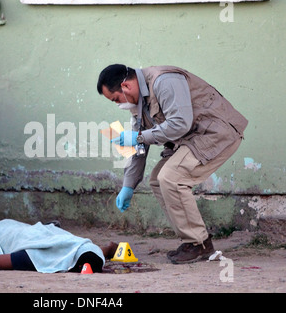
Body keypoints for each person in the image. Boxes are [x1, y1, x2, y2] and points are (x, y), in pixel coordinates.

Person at [97, 64, 248, 264]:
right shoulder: (139, 103)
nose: (118, 105)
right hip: (192, 139)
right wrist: (128, 184)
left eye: (116, 99)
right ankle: (191, 242)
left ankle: (199, 244)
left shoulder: (164, 81)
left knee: (171, 176)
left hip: (215, 134)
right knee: (158, 180)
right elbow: (138, 147)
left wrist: (139, 137)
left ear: (125, 86)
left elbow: (179, 123)